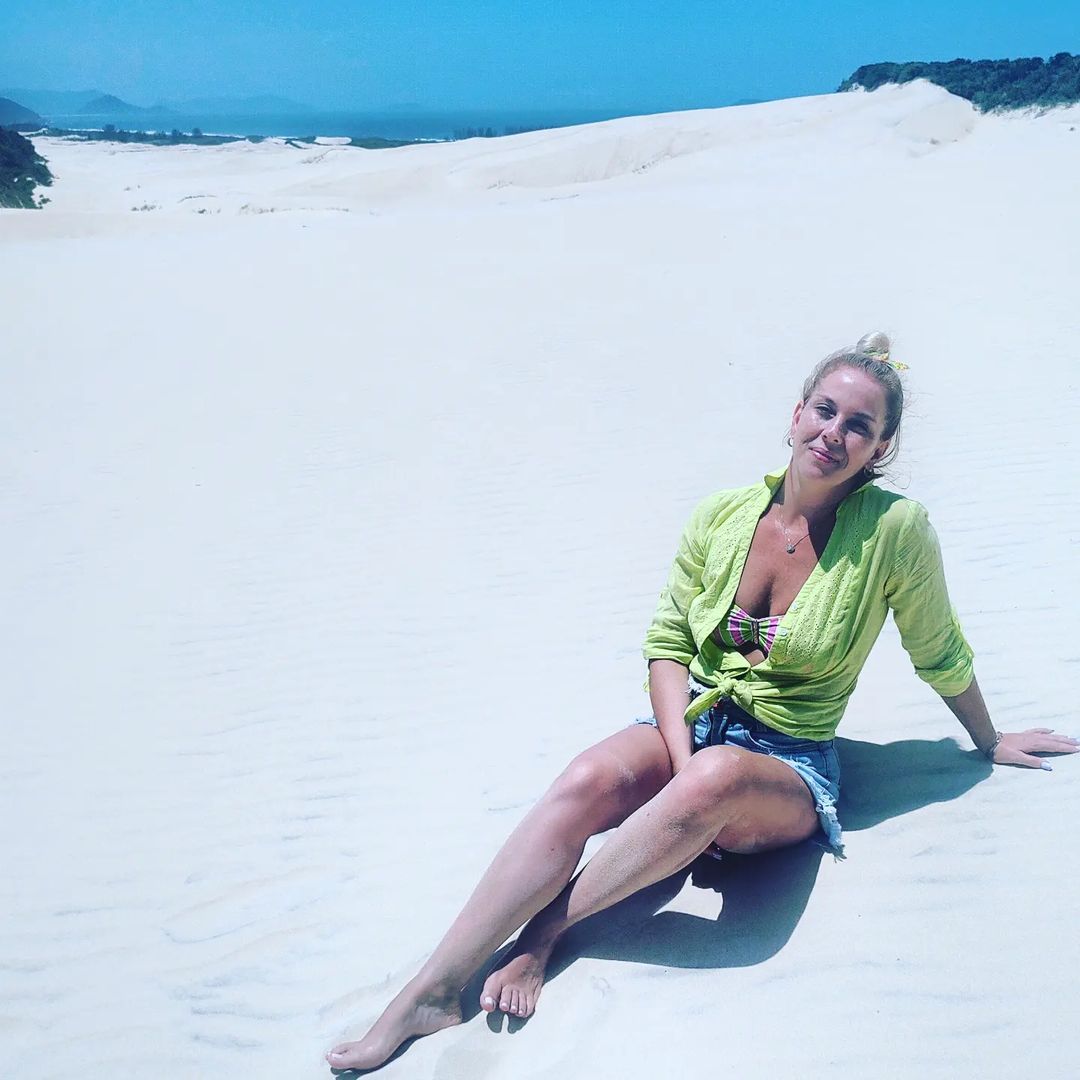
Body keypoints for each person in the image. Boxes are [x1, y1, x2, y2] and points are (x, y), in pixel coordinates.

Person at [326, 332, 1078, 1072]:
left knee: (717, 777)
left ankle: (542, 937)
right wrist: (680, 760)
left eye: (859, 425)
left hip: (787, 761)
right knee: (588, 777)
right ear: (796, 414)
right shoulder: (722, 514)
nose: (833, 433)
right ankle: (430, 991)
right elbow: (667, 645)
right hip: (697, 723)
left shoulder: (893, 531)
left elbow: (937, 647)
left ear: (881, 447)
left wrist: (988, 741)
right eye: (824, 410)